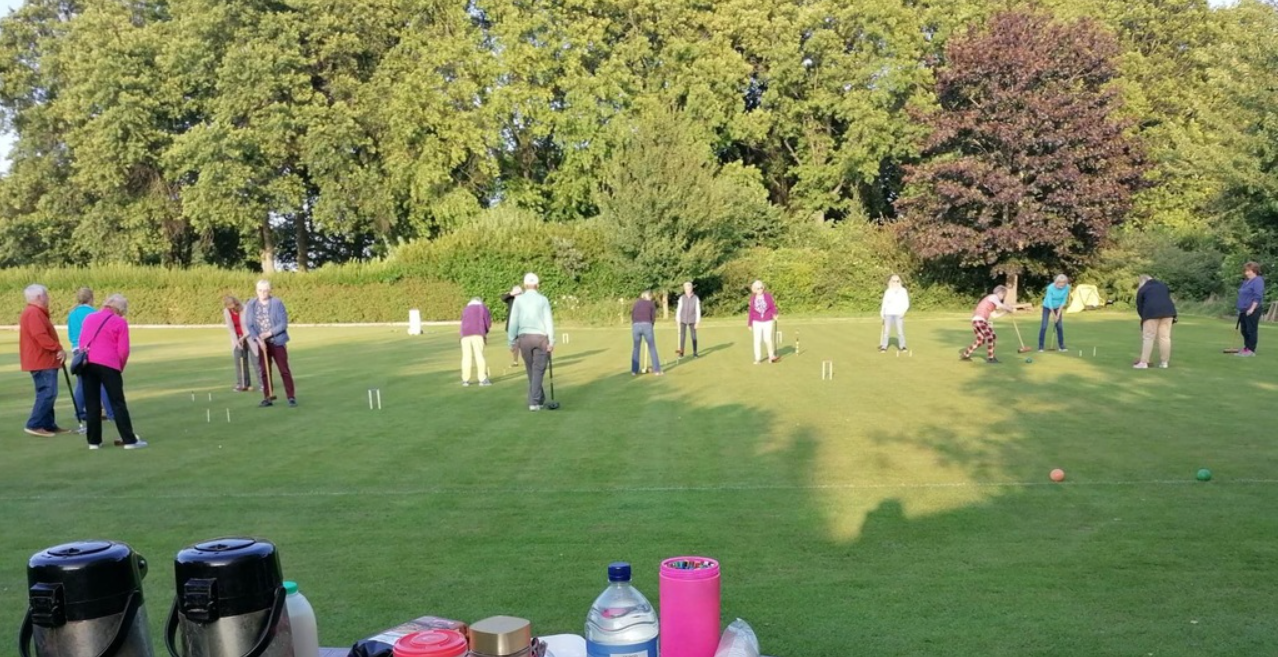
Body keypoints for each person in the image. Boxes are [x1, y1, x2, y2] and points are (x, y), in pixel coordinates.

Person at [79, 294, 146, 449]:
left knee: (92, 403)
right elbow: (123, 350)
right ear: (120, 309)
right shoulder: (120, 322)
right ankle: (129, 441)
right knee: (117, 403)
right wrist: (119, 367)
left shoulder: (89, 318)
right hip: (108, 364)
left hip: (88, 363)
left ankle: (94, 442)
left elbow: (83, 341)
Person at [19, 284, 70, 437]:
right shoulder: (34, 313)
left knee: (47, 392)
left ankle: (48, 424)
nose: (48, 298)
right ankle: (34, 424)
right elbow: (40, 335)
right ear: (39, 297)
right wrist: (57, 348)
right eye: (46, 295)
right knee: (48, 392)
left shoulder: (36, 312)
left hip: (42, 359)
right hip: (41, 360)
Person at [243, 280, 297, 408]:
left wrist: (268, 334)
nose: (263, 293)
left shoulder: (277, 303)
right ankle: (268, 397)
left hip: (277, 341)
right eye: (260, 290)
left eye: (265, 290)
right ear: (256, 291)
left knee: (284, 370)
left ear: (270, 290)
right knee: (264, 371)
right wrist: (258, 339)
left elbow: (283, 324)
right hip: (261, 343)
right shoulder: (251, 304)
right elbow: (249, 324)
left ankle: (291, 397)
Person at [67, 287, 115, 429]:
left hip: (77, 350)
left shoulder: (72, 314)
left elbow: (71, 334)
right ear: (91, 298)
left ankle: (79, 412)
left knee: (82, 383)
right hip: (90, 349)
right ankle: (112, 412)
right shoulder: (94, 313)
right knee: (102, 381)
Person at [507, 272, 555, 410]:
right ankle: (534, 402)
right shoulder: (543, 299)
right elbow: (548, 322)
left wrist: (511, 342)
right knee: (538, 370)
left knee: (532, 370)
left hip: (524, 338)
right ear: (537, 285)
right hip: (540, 338)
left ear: (525, 285)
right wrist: (551, 341)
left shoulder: (518, 300)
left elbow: (513, 322)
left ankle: (539, 398)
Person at [960, 285, 1014, 364]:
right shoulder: (993, 297)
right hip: (979, 320)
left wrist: (1005, 312)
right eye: (1003, 295)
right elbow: (1000, 305)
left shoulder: (993, 303)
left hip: (978, 321)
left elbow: (994, 315)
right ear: (1000, 293)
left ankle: (966, 354)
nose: (1003, 297)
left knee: (980, 340)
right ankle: (990, 358)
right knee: (991, 336)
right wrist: (1008, 308)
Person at [1134, 275, 1177, 369]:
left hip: (1151, 312)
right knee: (1165, 337)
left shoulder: (1143, 289)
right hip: (1168, 312)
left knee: (1148, 337)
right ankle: (1164, 363)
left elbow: (1140, 306)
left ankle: (1144, 362)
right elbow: (1168, 300)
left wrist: (1143, 319)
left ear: (1142, 281)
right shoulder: (1163, 286)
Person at [460, 297, 493, 386]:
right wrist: (485, 333)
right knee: (479, 355)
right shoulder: (482, 308)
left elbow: (462, 321)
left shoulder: (465, 309)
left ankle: (465, 380)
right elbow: (487, 322)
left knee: (466, 357)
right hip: (477, 334)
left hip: (465, 335)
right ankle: (482, 379)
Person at [222, 296, 253, 391]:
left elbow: (249, 325)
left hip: (249, 336)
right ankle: (242, 384)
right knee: (239, 361)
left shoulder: (244, 308)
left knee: (255, 360)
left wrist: (244, 337)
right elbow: (231, 328)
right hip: (237, 338)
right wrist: (237, 342)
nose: (231, 308)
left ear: (236, 303)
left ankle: (261, 384)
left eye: (232, 306)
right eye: (229, 307)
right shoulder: (227, 311)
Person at [747, 280, 780, 364]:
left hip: (767, 320)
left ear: (763, 288)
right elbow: (751, 311)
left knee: (767, 339)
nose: (760, 290)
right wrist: (749, 324)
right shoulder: (753, 298)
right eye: (758, 288)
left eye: (761, 288)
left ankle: (771, 356)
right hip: (756, 321)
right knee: (757, 340)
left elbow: (773, 307)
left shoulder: (768, 296)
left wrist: (775, 314)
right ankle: (757, 359)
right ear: (754, 289)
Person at [1235, 262, 1265, 357]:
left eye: (1249, 271)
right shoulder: (1245, 281)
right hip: (1243, 310)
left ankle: (1251, 350)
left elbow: (1257, 296)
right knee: (1244, 330)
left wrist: (1252, 308)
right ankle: (1246, 348)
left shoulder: (1258, 281)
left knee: (1251, 330)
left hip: (1253, 310)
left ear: (1255, 271)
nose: (1246, 273)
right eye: (1246, 271)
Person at [631, 291, 663, 376]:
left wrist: (636, 324)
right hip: (647, 325)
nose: (651, 298)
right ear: (647, 297)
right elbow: (653, 318)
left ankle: (634, 371)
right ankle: (657, 370)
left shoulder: (636, 303)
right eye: (650, 297)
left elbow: (633, 316)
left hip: (636, 326)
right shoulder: (651, 304)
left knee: (636, 348)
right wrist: (651, 326)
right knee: (652, 347)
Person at [1038, 274, 1071, 352]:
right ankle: (1041, 347)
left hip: (1058, 307)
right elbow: (1049, 301)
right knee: (1044, 326)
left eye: (1063, 285)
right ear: (1056, 283)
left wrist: (1058, 313)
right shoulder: (1050, 288)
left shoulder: (1067, 287)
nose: (1061, 287)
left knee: (1059, 326)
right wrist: (1053, 314)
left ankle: (1061, 346)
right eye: (1060, 285)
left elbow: (1064, 300)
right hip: (1047, 306)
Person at [879, 274, 910, 352]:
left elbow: (906, 303)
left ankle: (902, 346)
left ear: (899, 281)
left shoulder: (903, 291)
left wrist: (903, 312)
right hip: (888, 313)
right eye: (893, 281)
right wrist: (882, 313)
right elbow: (884, 303)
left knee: (900, 332)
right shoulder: (888, 291)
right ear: (890, 282)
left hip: (899, 314)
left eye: (897, 281)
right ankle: (884, 347)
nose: (895, 282)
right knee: (886, 332)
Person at [675, 282, 701, 358]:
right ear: (684, 289)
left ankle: (695, 352)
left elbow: (698, 310)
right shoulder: (681, 298)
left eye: (689, 289)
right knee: (682, 337)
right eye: (686, 289)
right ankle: (681, 352)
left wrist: (697, 322)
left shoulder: (696, 298)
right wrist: (677, 319)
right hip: (683, 319)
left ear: (691, 289)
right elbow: (679, 309)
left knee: (694, 336)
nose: (688, 290)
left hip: (692, 319)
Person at [501, 285, 523, 366]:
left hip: (522, 324)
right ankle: (515, 361)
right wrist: (511, 294)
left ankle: (525, 359)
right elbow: (503, 297)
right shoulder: (510, 299)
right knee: (513, 345)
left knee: (523, 343)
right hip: (511, 324)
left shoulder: (524, 300)